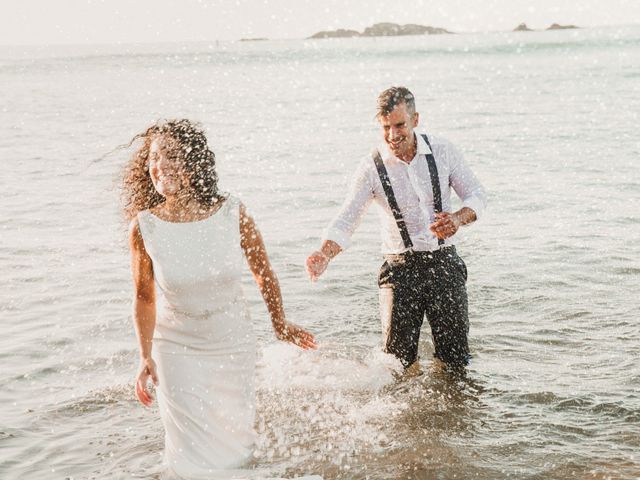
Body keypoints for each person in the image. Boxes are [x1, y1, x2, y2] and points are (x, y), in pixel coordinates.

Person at [121, 119, 317, 478]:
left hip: (231, 340)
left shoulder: (232, 212)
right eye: (154, 158)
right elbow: (144, 297)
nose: (159, 166)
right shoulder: (144, 226)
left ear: (193, 162)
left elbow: (263, 272)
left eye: (170, 157)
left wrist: (280, 324)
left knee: (234, 440)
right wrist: (145, 355)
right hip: (175, 345)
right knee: (188, 452)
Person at [306, 86, 487, 370]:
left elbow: (477, 195)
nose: (393, 135)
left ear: (416, 120)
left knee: (456, 362)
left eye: (400, 125)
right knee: (397, 366)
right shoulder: (371, 167)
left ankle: (454, 412)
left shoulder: (443, 151)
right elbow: (347, 218)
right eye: (386, 127)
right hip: (399, 271)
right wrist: (325, 254)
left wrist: (457, 219)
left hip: (444, 266)